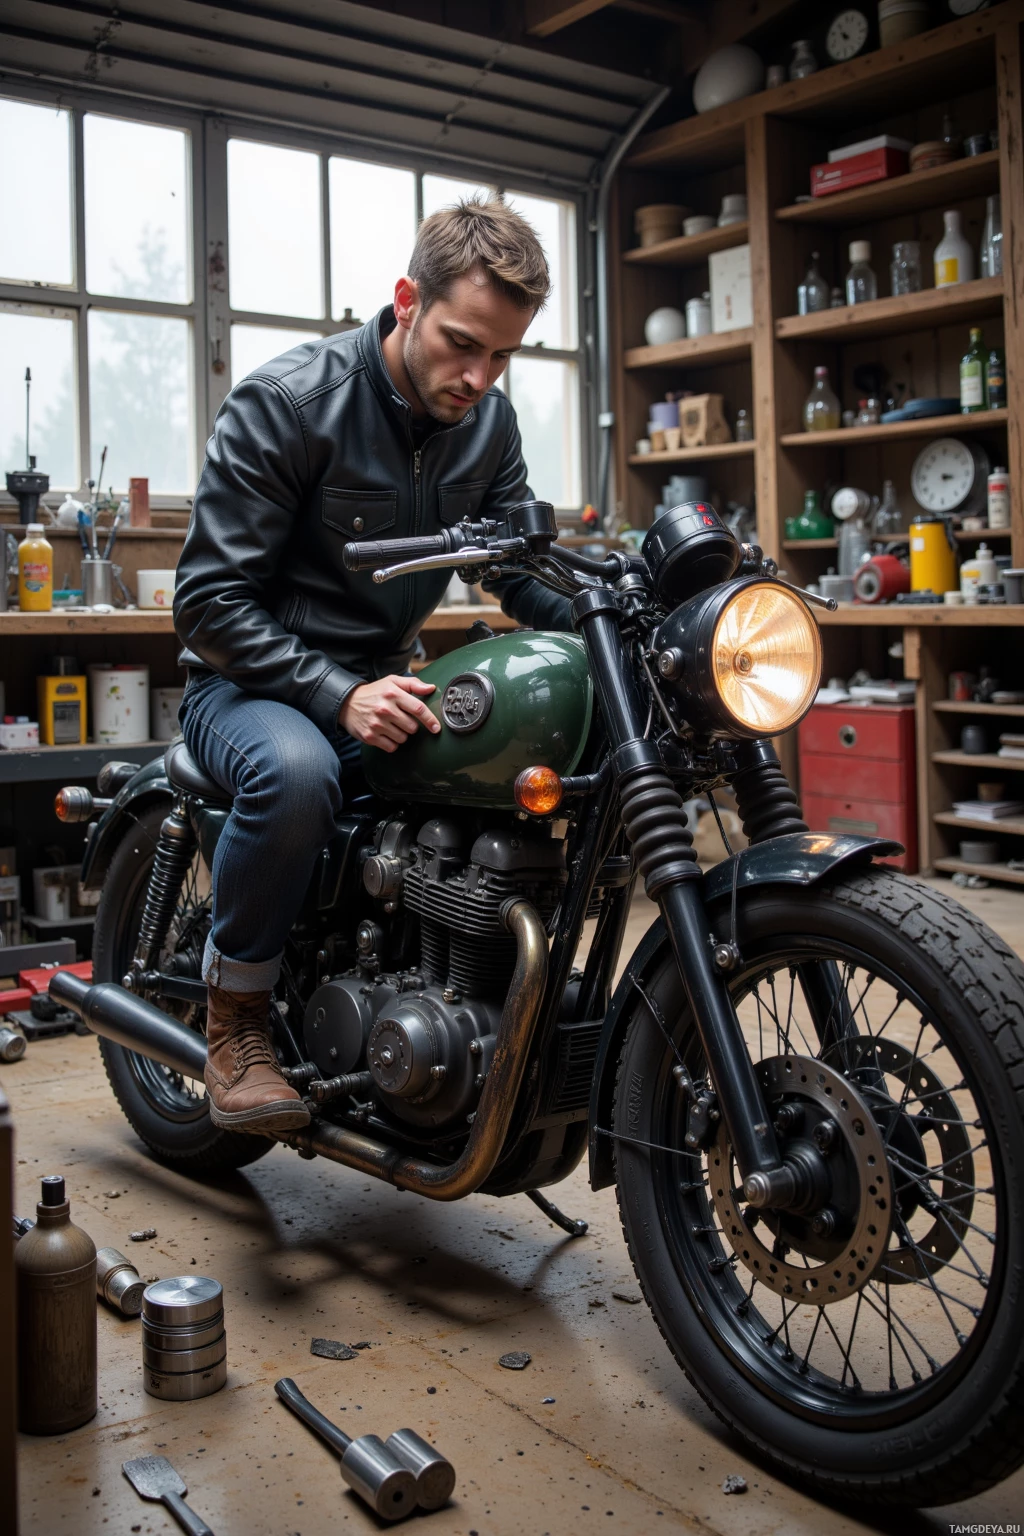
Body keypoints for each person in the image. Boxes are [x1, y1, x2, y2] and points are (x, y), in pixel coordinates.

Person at [173, 197, 571, 1135]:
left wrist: (633, 618)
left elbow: (517, 570)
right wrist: (338, 692)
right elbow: (208, 602)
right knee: (296, 773)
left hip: (387, 680)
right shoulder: (289, 403)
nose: (478, 378)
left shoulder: (488, 424)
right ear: (406, 300)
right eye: (462, 344)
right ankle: (236, 1021)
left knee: (498, 770)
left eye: (502, 357)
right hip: (247, 684)